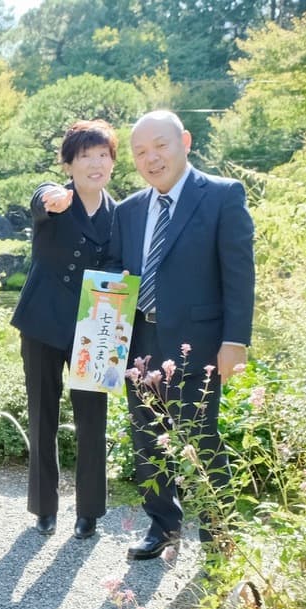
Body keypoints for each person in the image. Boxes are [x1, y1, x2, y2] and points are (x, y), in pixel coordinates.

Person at [109, 110, 255, 559]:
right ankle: (163, 527)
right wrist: (104, 344)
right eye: (140, 152)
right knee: (147, 440)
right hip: (139, 343)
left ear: (185, 142)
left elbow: (238, 273)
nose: (151, 158)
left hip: (199, 344)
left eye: (160, 146)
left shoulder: (221, 196)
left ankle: (219, 537)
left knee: (201, 439)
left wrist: (236, 340)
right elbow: (119, 276)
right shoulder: (130, 209)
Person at [10, 120, 120, 539]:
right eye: (85, 156)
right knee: (42, 415)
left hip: (96, 327)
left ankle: (89, 510)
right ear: (69, 163)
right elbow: (41, 199)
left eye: (103, 155)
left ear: (112, 162)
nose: (95, 164)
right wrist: (49, 199)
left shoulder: (120, 212)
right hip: (41, 320)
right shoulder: (55, 198)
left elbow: (120, 264)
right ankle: (44, 507)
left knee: (93, 418)